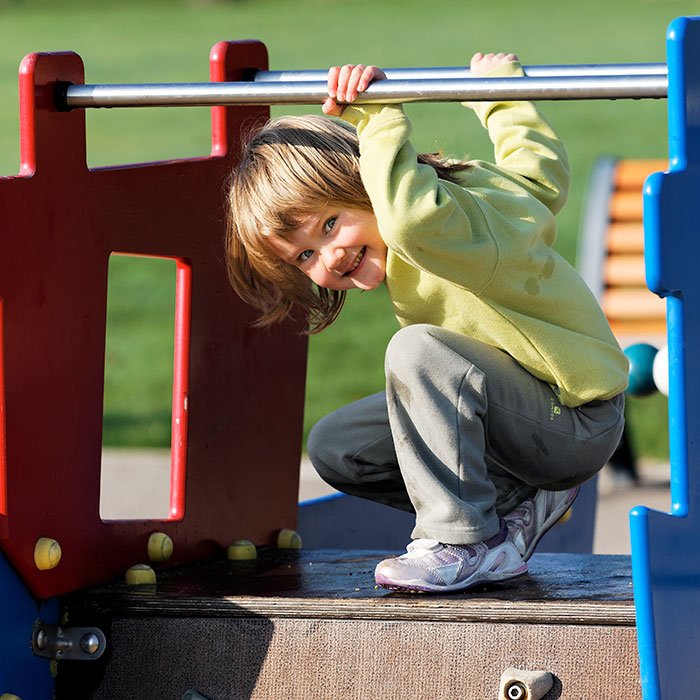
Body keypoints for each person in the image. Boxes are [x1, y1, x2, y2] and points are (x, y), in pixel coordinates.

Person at [226, 53, 628, 593]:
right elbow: (540, 173)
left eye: (330, 224)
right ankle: (517, 510)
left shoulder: (441, 230)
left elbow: (410, 220)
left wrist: (378, 115)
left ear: (368, 180)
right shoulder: (472, 203)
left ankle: (459, 542)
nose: (330, 257)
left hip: (575, 418)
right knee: (340, 447)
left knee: (415, 351)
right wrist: (499, 95)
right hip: (524, 415)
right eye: (305, 256)